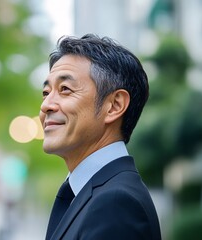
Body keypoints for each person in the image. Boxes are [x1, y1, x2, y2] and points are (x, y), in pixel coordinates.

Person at [40, 34, 162, 240]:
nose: (46, 105)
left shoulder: (116, 204)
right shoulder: (91, 194)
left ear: (114, 106)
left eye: (65, 89)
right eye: (45, 92)